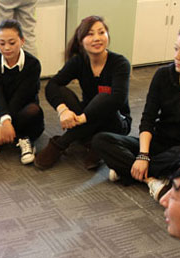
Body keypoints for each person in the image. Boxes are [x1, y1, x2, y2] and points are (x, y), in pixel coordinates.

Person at [94, 23, 180, 201]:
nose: (176, 56)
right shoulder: (163, 75)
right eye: (176, 49)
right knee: (101, 140)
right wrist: (143, 155)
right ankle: (152, 180)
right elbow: (148, 119)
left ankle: (127, 169)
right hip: (157, 142)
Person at [36, 16, 131, 170]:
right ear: (81, 41)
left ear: (108, 35)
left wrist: (82, 119)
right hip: (87, 114)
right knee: (62, 91)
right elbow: (52, 85)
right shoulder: (79, 61)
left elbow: (118, 99)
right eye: (90, 34)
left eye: (101, 32)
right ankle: (93, 143)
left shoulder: (120, 63)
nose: (97, 38)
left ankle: (61, 143)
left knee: (106, 96)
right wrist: (63, 110)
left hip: (115, 120)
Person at [0, 19, 43, 165]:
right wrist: (5, 120)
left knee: (33, 109)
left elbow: (21, 96)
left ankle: (24, 138)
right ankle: (2, 133)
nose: (6, 48)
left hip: (24, 114)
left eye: (12, 43)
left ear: (22, 41)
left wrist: (4, 122)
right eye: (2, 43)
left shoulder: (33, 64)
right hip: (3, 111)